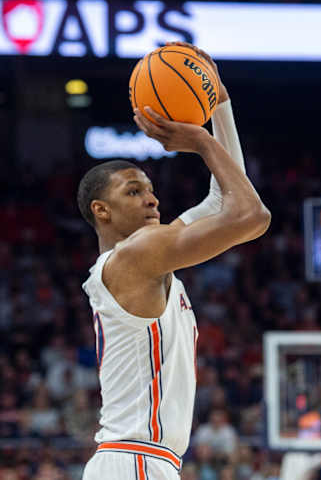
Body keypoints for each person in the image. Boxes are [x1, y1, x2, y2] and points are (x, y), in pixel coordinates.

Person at [79, 42, 270, 480]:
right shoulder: (136, 254)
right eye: (132, 191)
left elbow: (225, 199)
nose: (151, 197)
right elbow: (251, 216)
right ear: (101, 211)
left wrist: (219, 102)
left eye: (149, 187)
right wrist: (201, 139)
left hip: (140, 461)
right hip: (136, 461)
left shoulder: (145, 254)